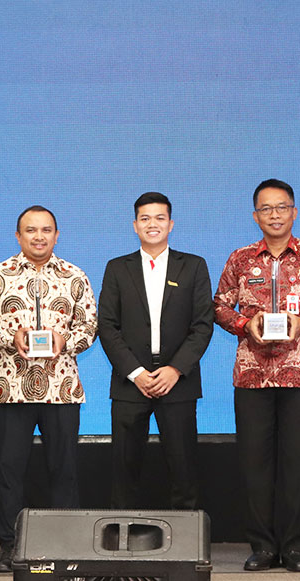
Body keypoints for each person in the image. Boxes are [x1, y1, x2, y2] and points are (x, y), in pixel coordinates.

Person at [213, 179, 300, 572]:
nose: (274, 215)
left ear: (294, 212)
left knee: (298, 463)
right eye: (266, 208)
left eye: (281, 207)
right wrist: (244, 324)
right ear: (255, 216)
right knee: (254, 463)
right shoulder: (240, 259)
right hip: (252, 375)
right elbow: (219, 306)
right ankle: (261, 547)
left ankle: (294, 549)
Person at [0, 205, 98, 572]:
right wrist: (11, 337)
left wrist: (65, 340)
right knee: (10, 471)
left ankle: (67, 545)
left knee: (64, 470)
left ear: (57, 235)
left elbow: (90, 327)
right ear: (18, 235)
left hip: (61, 388)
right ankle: (10, 546)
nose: (39, 236)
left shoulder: (75, 276)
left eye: (46, 230)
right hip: (11, 388)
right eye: (31, 230)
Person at [99, 192, 213, 509]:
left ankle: (184, 536)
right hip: (130, 383)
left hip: (178, 382)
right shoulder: (117, 268)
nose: (153, 224)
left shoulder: (193, 266)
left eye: (160, 218)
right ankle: (122, 533)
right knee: (124, 471)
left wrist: (175, 369)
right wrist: (135, 372)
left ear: (171, 224)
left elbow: (203, 324)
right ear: (135, 225)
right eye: (145, 218)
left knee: (184, 470)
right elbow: (106, 325)